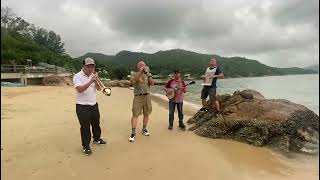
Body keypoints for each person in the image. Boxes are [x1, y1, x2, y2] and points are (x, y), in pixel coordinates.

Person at [73, 57, 106, 156]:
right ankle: (86, 146)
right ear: (83, 66)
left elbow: (100, 89)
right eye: (88, 66)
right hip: (82, 105)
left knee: (96, 123)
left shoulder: (93, 76)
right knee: (85, 127)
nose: (90, 69)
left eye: (92, 66)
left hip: (94, 104)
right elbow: (80, 90)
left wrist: (96, 83)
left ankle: (96, 139)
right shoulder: (77, 76)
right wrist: (91, 81)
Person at [128, 61, 154, 142]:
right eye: (140, 65)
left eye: (143, 65)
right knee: (135, 114)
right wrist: (141, 72)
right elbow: (133, 81)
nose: (142, 66)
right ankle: (133, 133)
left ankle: (144, 129)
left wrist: (149, 74)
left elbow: (152, 83)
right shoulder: (134, 74)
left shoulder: (148, 74)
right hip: (138, 96)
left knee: (147, 113)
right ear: (138, 67)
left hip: (147, 96)